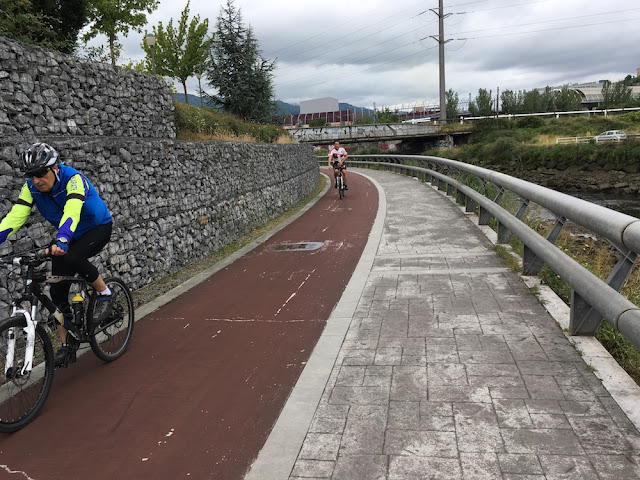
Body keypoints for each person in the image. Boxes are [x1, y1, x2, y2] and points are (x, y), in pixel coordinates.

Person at [0, 143, 113, 368]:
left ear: (55, 169)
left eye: (41, 173)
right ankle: (66, 345)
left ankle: (105, 293)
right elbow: (16, 216)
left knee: (73, 258)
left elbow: (73, 209)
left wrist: (62, 238)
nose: (37, 180)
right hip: (68, 235)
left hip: (96, 227)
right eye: (31, 175)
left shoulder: (73, 179)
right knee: (57, 290)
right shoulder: (30, 188)